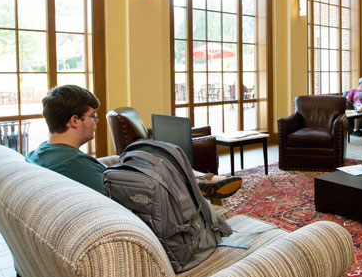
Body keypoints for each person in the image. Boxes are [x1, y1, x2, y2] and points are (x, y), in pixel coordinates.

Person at [26, 85, 240, 199]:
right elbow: (123, 198)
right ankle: (197, 184)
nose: (96, 121)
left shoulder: (39, 154)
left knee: (148, 157)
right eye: (92, 116)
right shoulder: (73, 164)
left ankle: (201, 181)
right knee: (162, 164)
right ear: (74, 121)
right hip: (143, 204)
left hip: (123, 183)